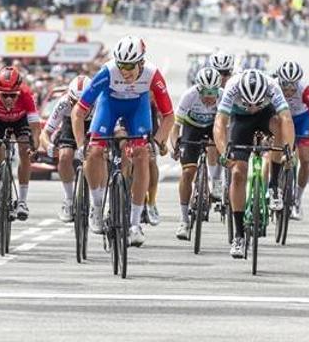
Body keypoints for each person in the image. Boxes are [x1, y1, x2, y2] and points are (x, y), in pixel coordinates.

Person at [74, 36, 173, 249]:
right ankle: (97, 206)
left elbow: (169, 116)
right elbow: (79, 111)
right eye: (121, 65)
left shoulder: (152, 74)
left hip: (137, 109)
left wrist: (157, 141)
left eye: (129, 66)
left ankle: (135, 223)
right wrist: (81, 143)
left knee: (142, 154)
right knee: (94, 153)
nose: (124, 71)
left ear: (141, 63)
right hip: (109, 107)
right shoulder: (108, 72)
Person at [213, 68, 295, 258]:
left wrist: (288, 150)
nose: (251, 107)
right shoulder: (232, 87)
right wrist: (224, 151)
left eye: (255, 103)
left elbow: (287, 120)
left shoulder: (272, 86)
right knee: (238, 173)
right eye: (248, 103)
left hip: (266, 115)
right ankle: (239, 235)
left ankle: (274, 184)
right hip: (240, 120)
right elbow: (219, 123)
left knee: (279, 127)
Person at [0, 66, 41, 222]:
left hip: (21, 120)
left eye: (13, 96)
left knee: (25, 150)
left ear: (19, 92)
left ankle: (22, 202)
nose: (8, 99)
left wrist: (35, 146)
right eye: (4, 95)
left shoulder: (26, 95)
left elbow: (35, 126)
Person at [171, 66, 224, 240]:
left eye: (212, 93)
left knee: (217, 145)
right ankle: (184, 220)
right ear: (198, 89)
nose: (209, 98)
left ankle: (216, 181)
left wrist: (226, 148)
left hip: (213, 126)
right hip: (191, 128)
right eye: (205, 93)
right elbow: (176, 127)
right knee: (187, 172)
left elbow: (227, 128)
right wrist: (174, 145)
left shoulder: (223, 96)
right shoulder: (189, 96)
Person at [40, 74, 90, 222]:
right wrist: (48, 146)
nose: (78, 107)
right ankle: (69, 200)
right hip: (69, 125)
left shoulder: (100, 101)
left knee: (98, 155)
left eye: (82, 102)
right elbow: (46, 132)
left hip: (92, 124)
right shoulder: (63, 103)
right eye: (73, 102)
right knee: (64, 156)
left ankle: (97, 202)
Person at [272, 61, 309, 221]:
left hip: (301, 119)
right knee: (273, 151)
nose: (288, 90)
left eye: (292, 87)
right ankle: (273, 188)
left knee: (306, 158)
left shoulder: (305, 90)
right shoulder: (272, 86)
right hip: (281, 118)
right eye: (285, 86)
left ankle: (297, 198)